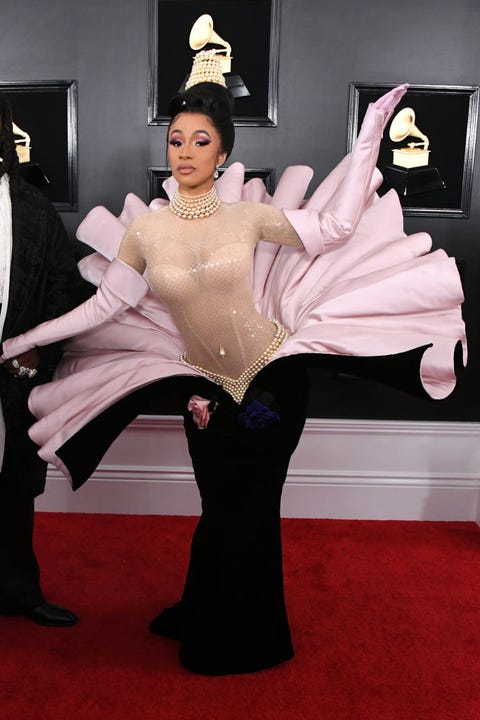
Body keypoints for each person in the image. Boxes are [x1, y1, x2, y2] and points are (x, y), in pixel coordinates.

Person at [0, 55, 466, 671]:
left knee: (246, 510)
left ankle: (248, 640)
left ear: (222, 155)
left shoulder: (247, 218)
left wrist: (367, 145)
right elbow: (104, 308)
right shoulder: (151, 234)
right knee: (220, 505)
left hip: (272, 382)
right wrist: (18, 340)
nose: (185, 151)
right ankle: (205, 607)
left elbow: (332, 225)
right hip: (206, 390)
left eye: (201, 141)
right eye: (176, 140)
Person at [0, 92, 86, 627]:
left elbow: (64, 288)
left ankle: (19, 591)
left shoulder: (32, 207)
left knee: (12, 487)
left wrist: (37, 349)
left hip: (12, 375)